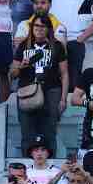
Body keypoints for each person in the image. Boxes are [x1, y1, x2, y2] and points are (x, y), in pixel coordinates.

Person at [11, 13, 69, 155]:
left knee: (49, 133)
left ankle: (50, 169)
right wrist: (21, 67)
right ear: (31, 27)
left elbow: (65, 74)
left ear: (49, 28)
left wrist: (63, 99)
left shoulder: (57, 46)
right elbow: (12, 75)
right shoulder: (24, 45)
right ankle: (27, 168)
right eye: (36, 25)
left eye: (43, 26)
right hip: (27, 92)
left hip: (51, 92)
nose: (39, 28)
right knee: (27, 133)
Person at [44, 0, 93, 90]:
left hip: (75, 40)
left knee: (74, 81)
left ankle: (72, 111)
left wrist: (81, 38)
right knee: (50, 79)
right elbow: (43, 10)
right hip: (53, 39)